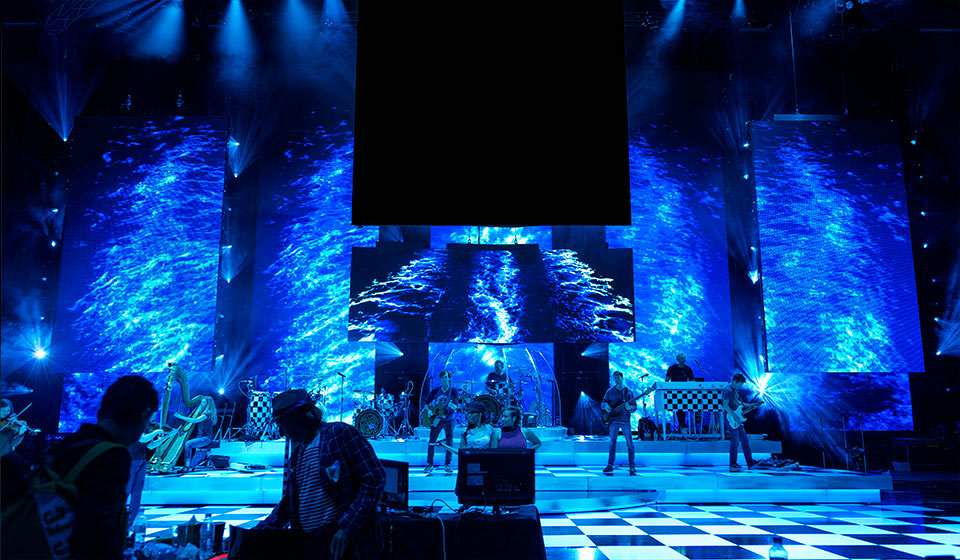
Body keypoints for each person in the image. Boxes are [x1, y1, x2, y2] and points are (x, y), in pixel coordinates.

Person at [256, 389, 385, 560]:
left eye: (285, 424)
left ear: (303, 417)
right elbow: (290, 502)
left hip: (344, 543)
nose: (283, 431)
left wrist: (347, 528)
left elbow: (374, 479)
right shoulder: (299, 451)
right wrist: (257, 533)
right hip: (312, 543)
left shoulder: (339, 434)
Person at [47, 375, 158, 560]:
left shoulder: (66, 446)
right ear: (143, 415)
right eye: (148, 422)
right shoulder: (111, 455)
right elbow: (99, 535)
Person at [422, 370, 460, 474]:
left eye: (446, 377)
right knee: (432, 440)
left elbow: (456, 405)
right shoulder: (435, 391)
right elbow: (426, 402)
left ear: (449, 378)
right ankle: (429, 463)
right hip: (437, 419)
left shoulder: (453, 391)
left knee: (449, 441)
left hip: (449, 419)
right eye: (443, 377)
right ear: (440, 379)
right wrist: (428, 410)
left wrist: (453, 406)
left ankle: (448, 463)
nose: (445, 379)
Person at [601, 371, 636, 476]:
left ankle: (632, 466)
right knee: (612, 443)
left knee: (629, 443)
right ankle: (610, 465)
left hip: (625, 421)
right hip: (614, 421)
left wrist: (630, 408)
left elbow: (634, 406)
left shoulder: (628, 392)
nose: (616, 379)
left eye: (618, 377)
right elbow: (603, 403)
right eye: (614, 378)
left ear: (622, 378)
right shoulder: (609, 391)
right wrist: (606, 406)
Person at [722, 373, 758, 472]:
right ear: (734, 381)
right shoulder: (728, 390)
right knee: (735, 441)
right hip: (731, 418)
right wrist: (735, 416)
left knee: (744, 440)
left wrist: (750, 405)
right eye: (740, 384)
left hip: (736, 417)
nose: (740, 386)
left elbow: (738, 403)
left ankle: (749, 461)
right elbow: (725, 405)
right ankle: (733, 463)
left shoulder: (735, 390)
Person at [180, 395, 217, 470]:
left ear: (207, 404)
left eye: (203, 402)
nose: (201, 404)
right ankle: (191, 463)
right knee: (186, 441)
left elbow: (196, 420)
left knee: (188, 444)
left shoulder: (207, 413)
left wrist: (181, 417)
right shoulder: (205, 412)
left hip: (206, 438)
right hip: (201, 437)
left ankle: (187, 465)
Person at [665, 353, 694, 431]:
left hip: (684, 392)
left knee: (683, 408)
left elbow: (692, 380)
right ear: (678, 359)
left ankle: (682, 424)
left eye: (683, 358)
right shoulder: (672, 368)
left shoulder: (688, 369)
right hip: (674, 393)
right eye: (681, 358)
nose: (683, 360)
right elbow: (667, 380)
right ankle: (681, 424)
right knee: (678, 408)